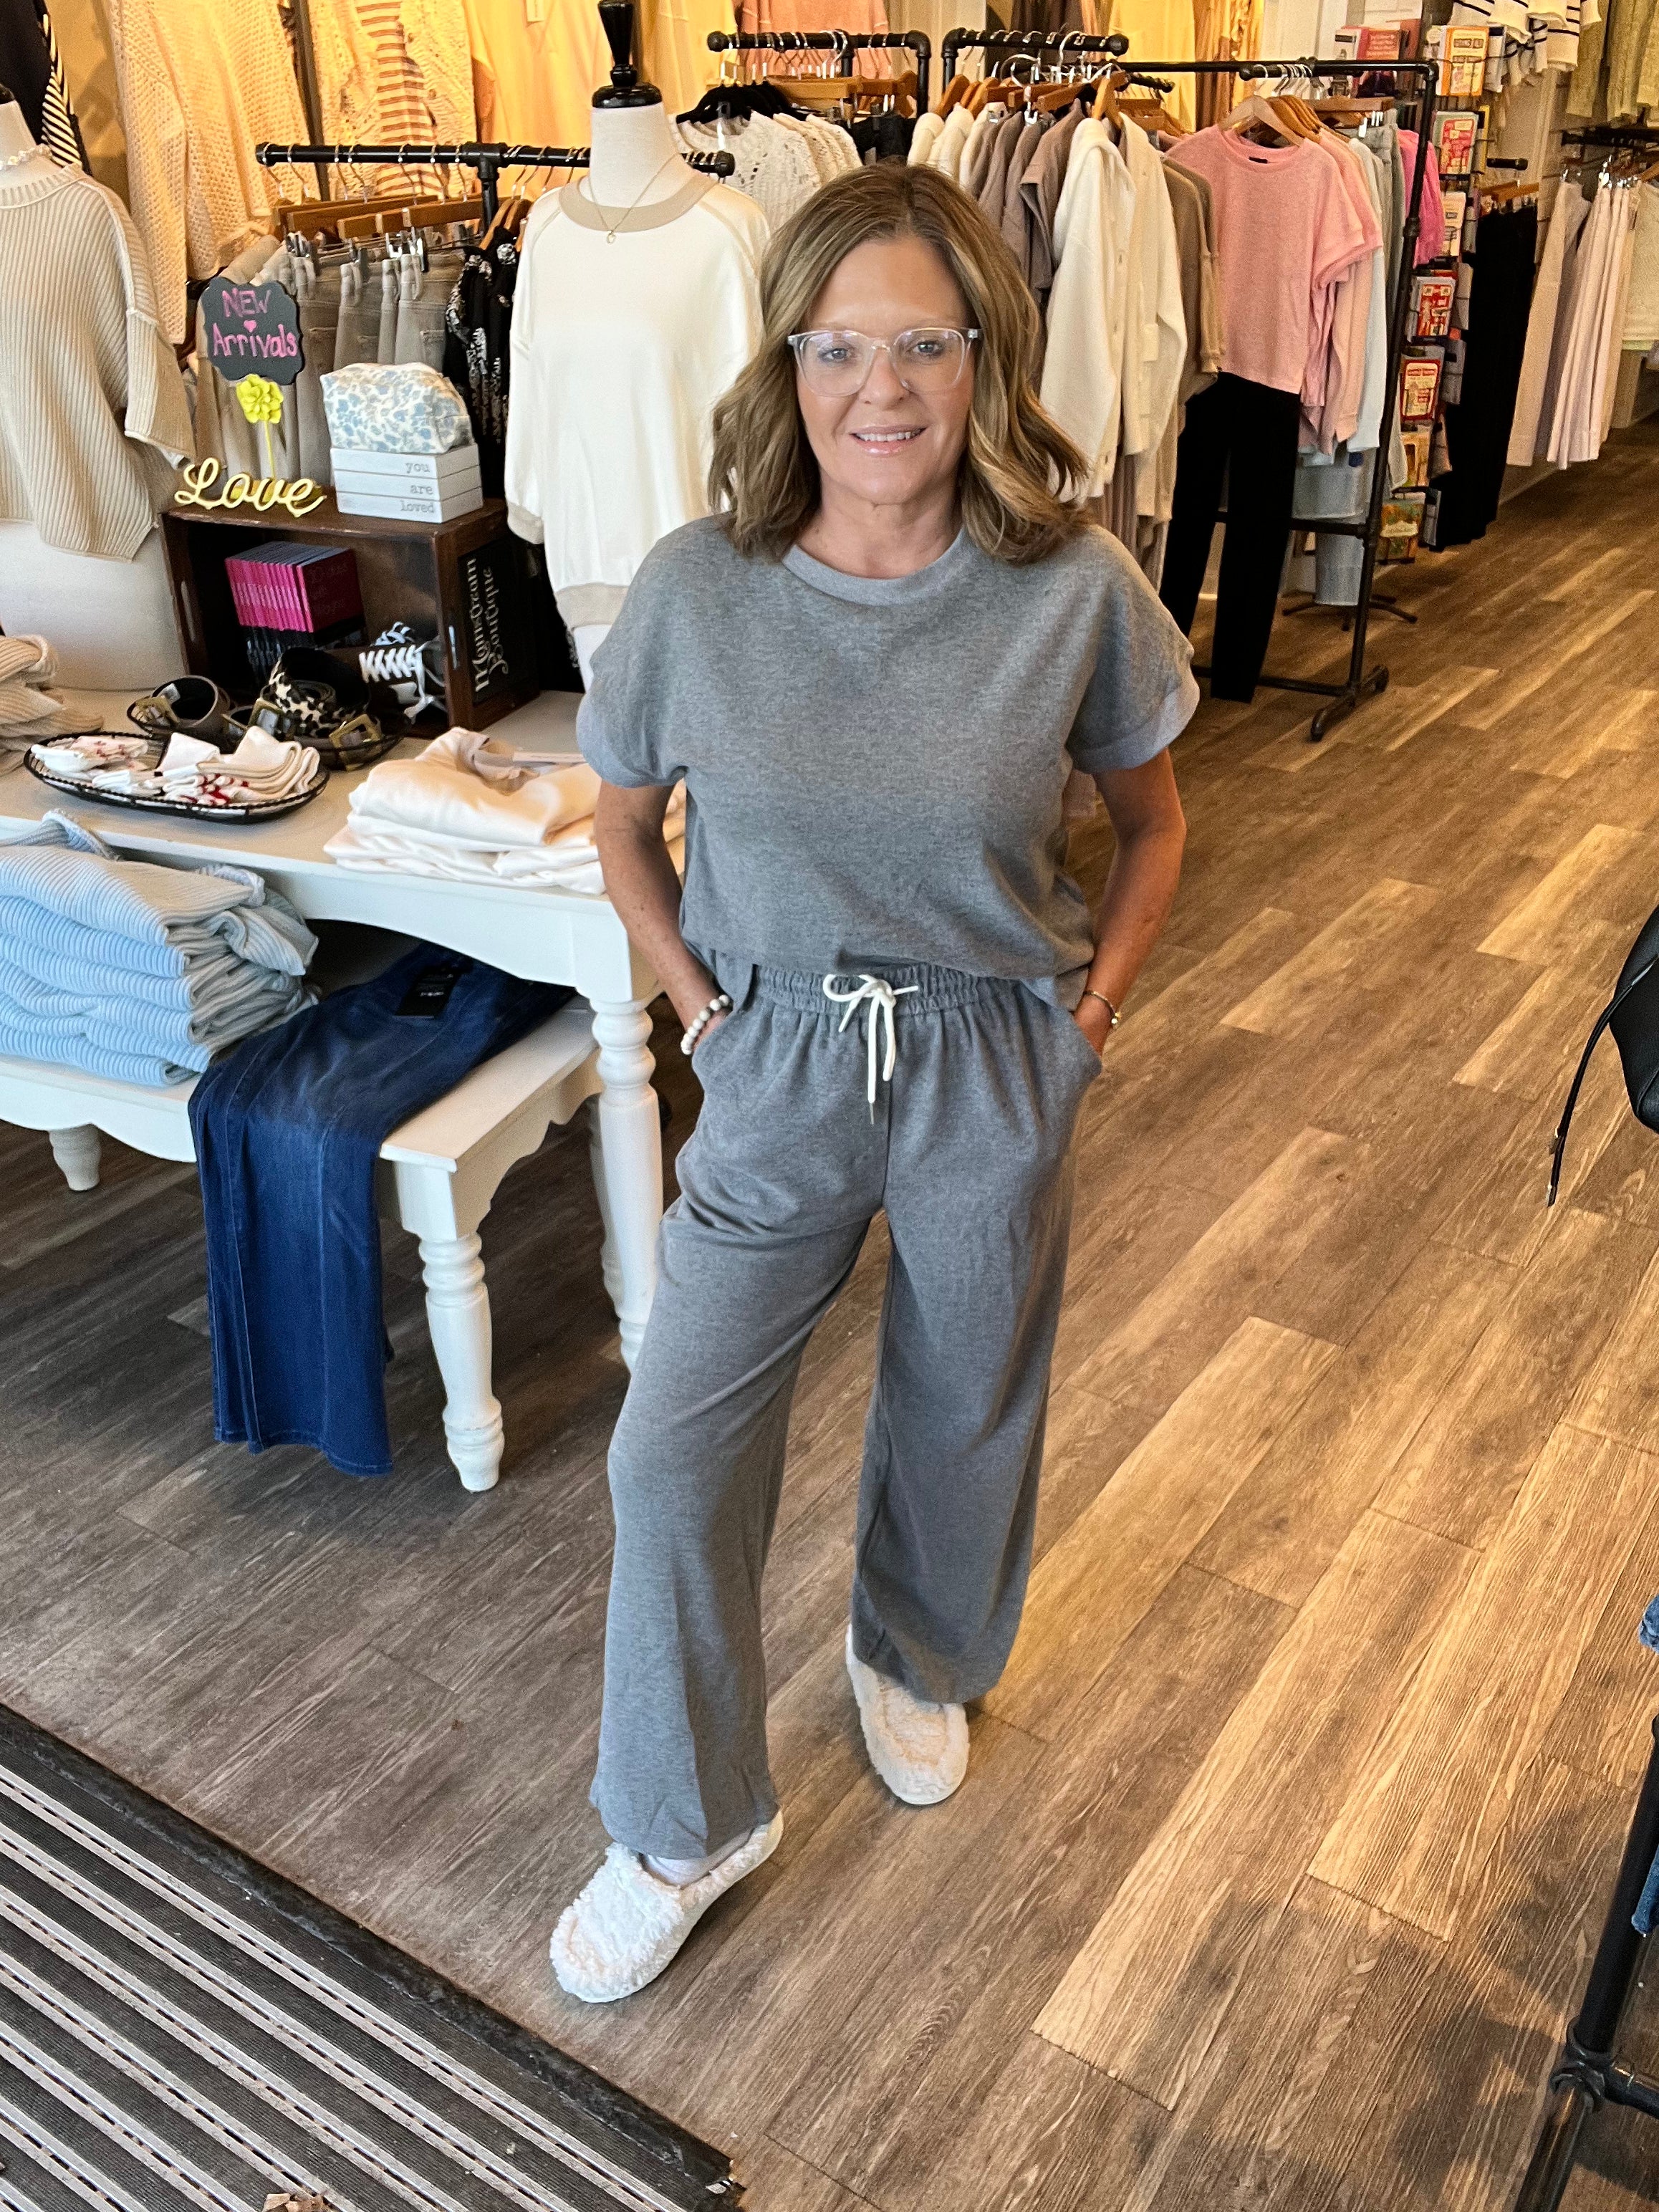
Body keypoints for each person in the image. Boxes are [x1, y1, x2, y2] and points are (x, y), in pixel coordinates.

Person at [552, 162, 1193, 2004]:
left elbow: (1155, 824)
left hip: (995, 1047)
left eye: (924, 341)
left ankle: (915, 1647)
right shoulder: (700, 587)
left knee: (964, 1391)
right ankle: (684, 1817)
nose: (881, 387)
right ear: (787, 364)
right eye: (837, 347)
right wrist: (700, 1008)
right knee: (673, 1443)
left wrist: (1089, 1020)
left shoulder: (1072, 591)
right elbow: (621, 822)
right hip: (777, 1051)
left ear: (986, 353)